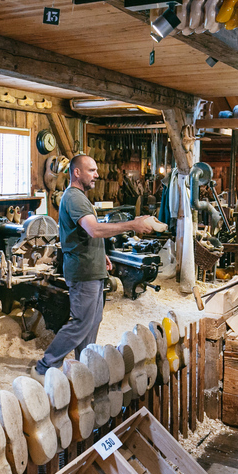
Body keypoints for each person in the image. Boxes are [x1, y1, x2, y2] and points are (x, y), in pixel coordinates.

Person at [32, 154, 153, 381]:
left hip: (92, 267)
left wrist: (101, 253)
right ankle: (44, 366)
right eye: (92, 170)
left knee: (92, 322)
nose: (97, 174)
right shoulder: (75, 198)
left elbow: (87, 235)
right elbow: (94, 230)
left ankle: (82, 366)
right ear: (77, 173)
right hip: (83, 271)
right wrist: (133, 225)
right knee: (80, 323)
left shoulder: (80, 198)